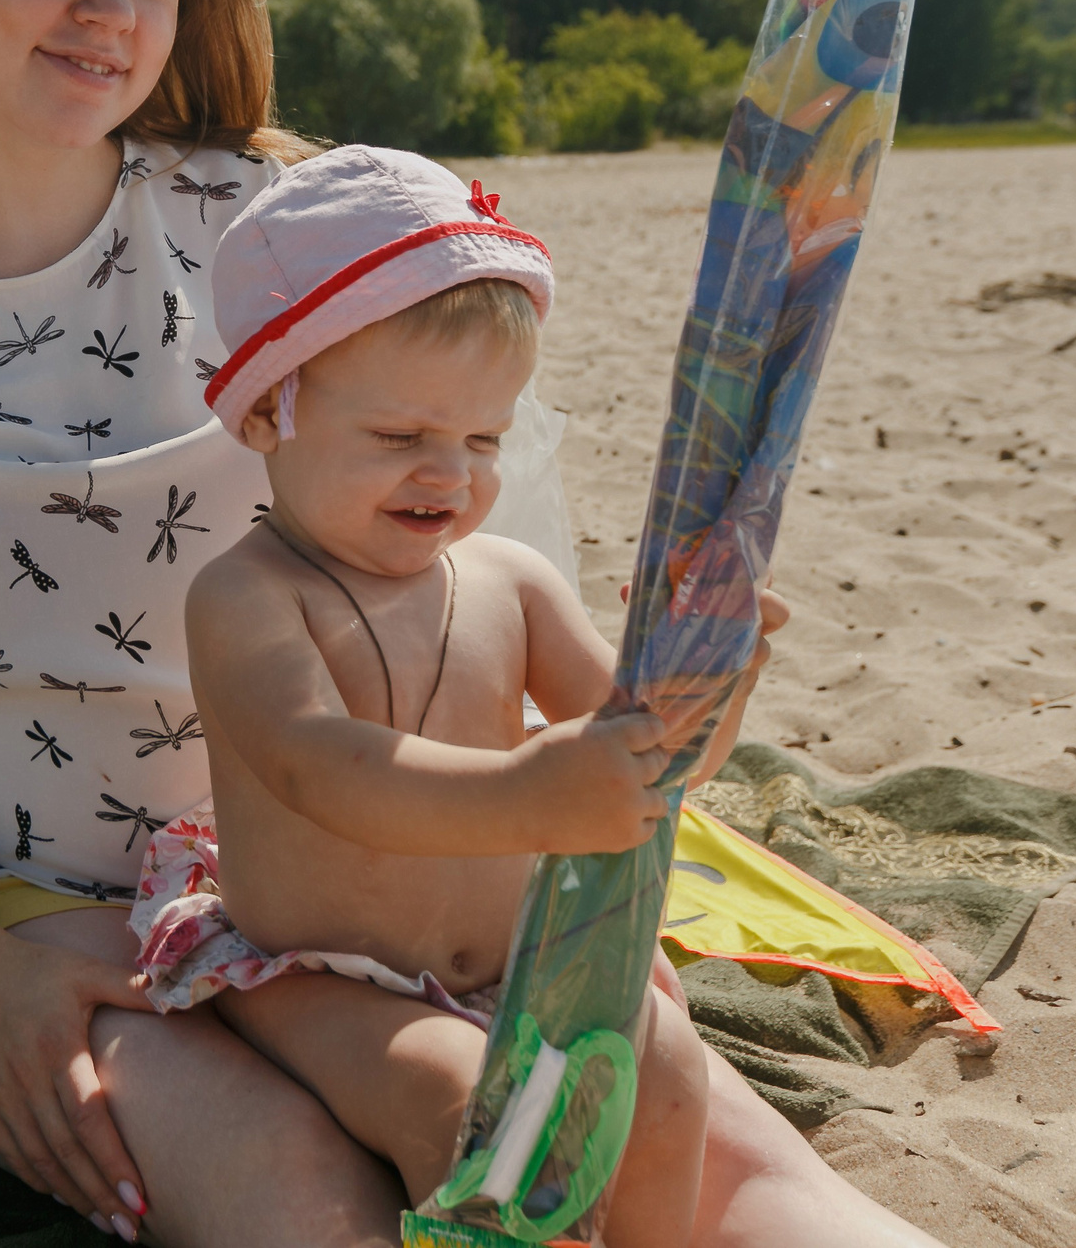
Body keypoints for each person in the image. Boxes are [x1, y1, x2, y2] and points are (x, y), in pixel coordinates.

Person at [0, 0, 943, 1248]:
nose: (113, 8)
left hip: (359, 883)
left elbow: (476, 567)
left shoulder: (272, 224)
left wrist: (563, 892)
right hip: (8, 904)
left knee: (701, 1166)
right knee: (300, 1200)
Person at [142, 145, 727, 1243]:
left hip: (516, 959)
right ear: (269, 411)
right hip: (324, 977)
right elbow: (322, 766)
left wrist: (715, 663)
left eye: (482, 440)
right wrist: (529, 790)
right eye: (401, 437)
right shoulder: (248, 597)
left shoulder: (512, 581)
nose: (450, 476)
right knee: (472, 1108)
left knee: (671, 1067)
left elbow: (658, 754)